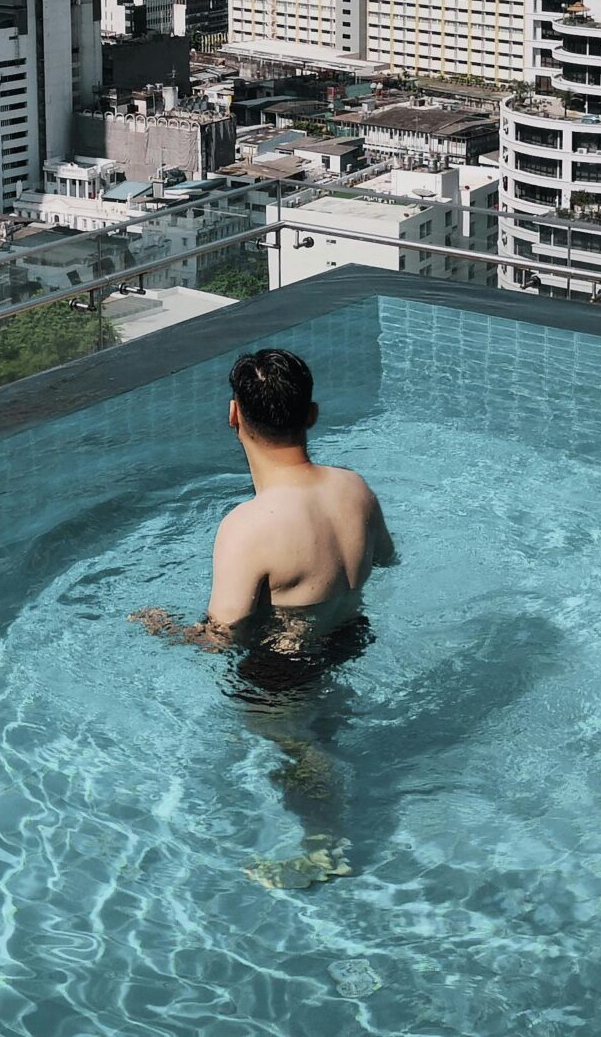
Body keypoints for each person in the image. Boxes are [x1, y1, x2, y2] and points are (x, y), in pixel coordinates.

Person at [131, 348, 396, 888]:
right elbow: (386, 558)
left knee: (297, 752)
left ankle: (325, 847)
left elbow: (221, 638)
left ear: (234, 415)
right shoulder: (354, 487)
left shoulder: (249, 525)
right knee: (324, 732)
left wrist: (161, 628)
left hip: (282, 665)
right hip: (349, 636)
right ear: (313, 414)